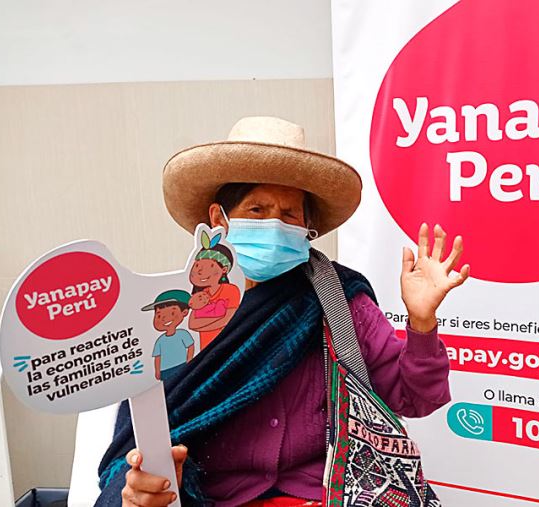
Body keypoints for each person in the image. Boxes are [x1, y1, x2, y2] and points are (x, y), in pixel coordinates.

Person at [97, 117, 470, 507]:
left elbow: (416, 398)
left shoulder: (338, 299)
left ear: (307, 227)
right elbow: (139, 446)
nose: (274, 225)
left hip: (328, 496)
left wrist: (422, 322)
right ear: (219, 220)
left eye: (290, 214)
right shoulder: (177, 317)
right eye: (257, 209)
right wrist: (148, 483)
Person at [186, 230, 241, 350]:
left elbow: (229, 319)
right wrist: (219, 320)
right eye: (197, 266)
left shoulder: (231, 290)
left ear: (224, 270)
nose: (200, 271)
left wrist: (203, 323)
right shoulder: (200, 295)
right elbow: (192, 324)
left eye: (209, 266)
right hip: (205, 350)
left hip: (229, 347)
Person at [141, 290, 195, 382]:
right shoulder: (160, 340)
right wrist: (157, 371)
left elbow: (190, 346)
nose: (163, 319)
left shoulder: (183, 334)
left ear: (184, 312)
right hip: (165, 370)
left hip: (182, 364)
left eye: (172, 313)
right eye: (158, 316)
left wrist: (189, 360)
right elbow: (158, 357)